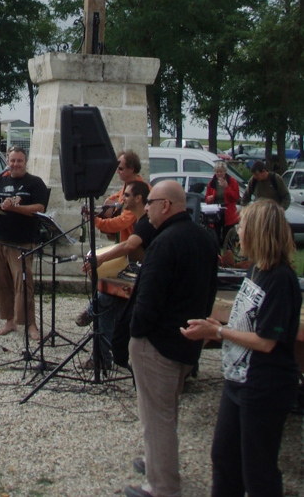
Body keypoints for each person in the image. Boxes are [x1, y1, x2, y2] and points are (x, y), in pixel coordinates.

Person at [181, 199, 302, 497]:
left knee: (257, 470)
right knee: (224, 459)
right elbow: (248, 320)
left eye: (243, 226)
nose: (238, 231)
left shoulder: (280, 280)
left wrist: (220, 331)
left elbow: (266, 341)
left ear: (259, 232)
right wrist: (218, 324)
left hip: (264, 386)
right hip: (237, 381)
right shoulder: (256, 269)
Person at [124, 180, 218, 497]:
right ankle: (156, 460)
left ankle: (162, 486)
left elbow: (147, 299)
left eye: (150, 202)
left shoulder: (164, 243)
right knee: (166, 411)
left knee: (157, 417)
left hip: (158, 344)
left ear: (166, 205)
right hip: (186, 341)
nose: (146, 207)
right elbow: (210, 292)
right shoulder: (204, 239)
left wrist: (136, 334)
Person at [78, 181, 153, 369]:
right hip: (139, 274)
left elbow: (128, 245)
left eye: (126, 195)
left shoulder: (146, 222)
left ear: (139, 198)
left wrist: (101, 258)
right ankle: (102, 357)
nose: (123, 199)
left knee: (104, 300)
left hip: (148, 283)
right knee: (105, 298)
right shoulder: (139, 220)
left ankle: (101, 352)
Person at [0, 146, 48, 341]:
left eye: (19, 161)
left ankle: (30, 323)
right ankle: (9, 320)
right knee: (1, 283)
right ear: (7, 162)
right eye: (12, 161)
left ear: (25, 162)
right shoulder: (1, 182)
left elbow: (39, 208)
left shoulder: (35, 183)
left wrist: (16, 207)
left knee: (23, 283)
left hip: (22, 242)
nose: (15, 164)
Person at [95, 150, 147, 243]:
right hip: (123, 242)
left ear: (131, 169)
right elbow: (117, 196)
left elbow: (122, 222)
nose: (117, 171)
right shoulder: (127, 187)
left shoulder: (140, 193)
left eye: (120, 169)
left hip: (135, 248)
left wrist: (96, 221)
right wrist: (108, 201)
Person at [205, 161, 241, 247]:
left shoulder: (232, 181)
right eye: (217, 172)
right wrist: (209, 199)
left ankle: (227, 252)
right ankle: (217, 251)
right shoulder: (212, 182)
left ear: (225, 171)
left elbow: (235, 197)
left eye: (221, 171)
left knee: (227, 234)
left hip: (228, 211)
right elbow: (207, 198)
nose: (219, 173)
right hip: (216, 211)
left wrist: (226, 187)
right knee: (215, 233)